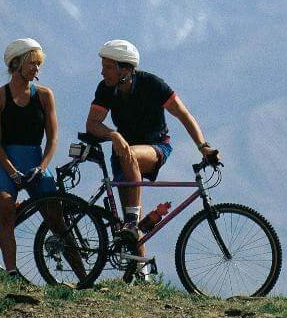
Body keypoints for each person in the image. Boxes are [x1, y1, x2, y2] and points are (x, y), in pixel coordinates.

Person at [85, 39, 220, 254]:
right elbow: (92, 123)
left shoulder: (152, 85)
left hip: (155, 146)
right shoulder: (106, 89)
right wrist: (113, 135)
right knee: (133, 226)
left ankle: (131, 220)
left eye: (108, 67)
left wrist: (203, 146)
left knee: (130, 211)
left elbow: (184, 115)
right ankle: (141, 272)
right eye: (103, 66)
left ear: (125, 69)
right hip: (121, 154)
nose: (102, 72)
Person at [0, 38, 58, 281]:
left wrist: (42, 167)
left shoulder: (45, 96)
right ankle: (11, 272)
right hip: (6, 161)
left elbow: (52, 140)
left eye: (38, 65)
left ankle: (81, 275)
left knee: (55, 216)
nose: (36, 70)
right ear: (15, 64)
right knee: (7, 211)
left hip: (36, 161)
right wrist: (12, 171)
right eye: (31, 64)